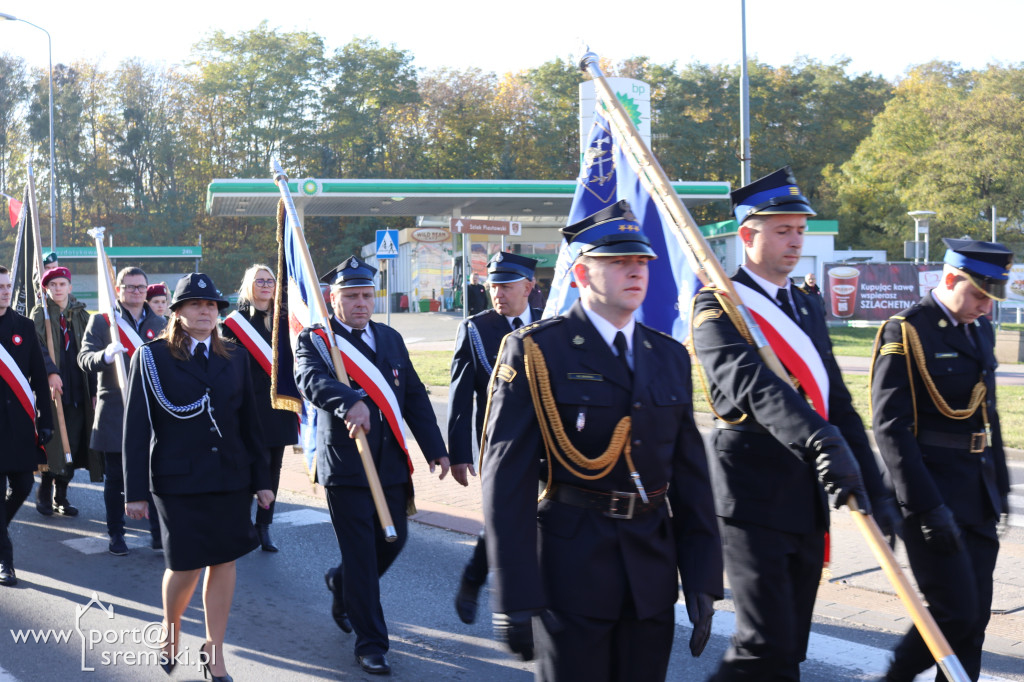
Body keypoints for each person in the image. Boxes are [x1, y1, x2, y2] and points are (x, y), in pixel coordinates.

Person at [482, 202, 723, 681]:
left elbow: (691, 478)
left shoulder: (669, 356)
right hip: (572, 571)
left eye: (641, 262)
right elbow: (505, 481)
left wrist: (701, 577)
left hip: (651, 574)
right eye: (616, 262)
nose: (634, 271)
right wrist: (515, 597)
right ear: (580, 275)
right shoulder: (535, 351)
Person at [690, 167, 899, 681]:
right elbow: (750, 386)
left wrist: (876, 490)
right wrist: (820, 438)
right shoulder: (719, 305)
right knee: (766, 647)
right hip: (752, 496)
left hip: (807, 495)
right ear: (747, 235)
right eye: (782, 230)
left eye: (800, 230)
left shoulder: (805, 306)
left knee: (789, 651)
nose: (795, 240)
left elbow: (837, 403)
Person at [294, 256, 451, 676]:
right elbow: (308, 379)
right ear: (334, 298)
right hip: (345, 466)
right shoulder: (317, 340)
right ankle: (371, 643)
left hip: (390, 464)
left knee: (393, 542)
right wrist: (350, 400)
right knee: (362, 557)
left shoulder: (391, 338)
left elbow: (414, 395)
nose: (361, 303)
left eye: (367, 295)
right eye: (351, 296)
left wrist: (437, 448)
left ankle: (340, 583)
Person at [871, 238, 1012, 682]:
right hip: (930, 492)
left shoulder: (979, 329)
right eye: (978, 294)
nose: (985, 307)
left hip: (976, 492)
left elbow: (987, 413)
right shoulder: (907, 330)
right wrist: (925, 508)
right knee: (954, 611)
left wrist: (1001, 485)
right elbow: (891, 427)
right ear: (950, 278)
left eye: (991, 298)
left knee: (974, 623)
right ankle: (893, 678)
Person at [123, 273, 273, 680]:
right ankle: (171, 632)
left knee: (224, 562)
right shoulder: (152, 357)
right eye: (195, 305)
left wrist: (263, 478)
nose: (205, 312)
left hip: (229, 475)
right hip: (177, 480)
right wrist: (133, 492)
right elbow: (136, 429)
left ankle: (215, 649)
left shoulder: (235, 356)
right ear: (177, 312)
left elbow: (250, 424)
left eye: (211, 306)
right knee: (186, 564)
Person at [449, 251, 542, 624]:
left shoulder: (552, 322)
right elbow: (459, 396)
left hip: (549, 443)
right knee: (504, 517)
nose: (498, 293)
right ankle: (474, 579)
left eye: (506, 285)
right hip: (499, 444)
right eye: (493, 286)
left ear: (529, 286)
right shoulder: (476, 328)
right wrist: (458, 453)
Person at [78, 266, 166, 556]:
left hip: (152, 411)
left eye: (141, 287)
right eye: (129, 287)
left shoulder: (160, 322)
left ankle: (157, 533)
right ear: (118, 289)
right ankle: (116, 533)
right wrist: (104, 355)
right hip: (116, 410)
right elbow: (84, 358)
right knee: (116, 477)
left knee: (154, 474)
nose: (136, 292)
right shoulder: (103, 322)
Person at [220, 264, 298, 553]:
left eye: (270, 281)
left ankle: (263, 526)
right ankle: (241, 522)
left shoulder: (285, 320)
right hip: (246, 405)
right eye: (259, 281)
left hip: (278, 405)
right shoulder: (233, 323)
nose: (266, 285)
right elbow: (226, 366)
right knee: (248, 464)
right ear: (248, 286)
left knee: (273, 467)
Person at [30, 266, 101, 517]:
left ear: (70, 287)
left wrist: (94, 389)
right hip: (52, 387)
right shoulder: (41, 314)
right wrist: (50, 372)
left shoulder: (82, 315)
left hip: (78, 387)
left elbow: (91, 349)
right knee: (54, 441)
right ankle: (44, 493)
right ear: (46, 289)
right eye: (53, 285)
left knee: (73, 440)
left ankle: (62, 495)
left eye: (62, 284)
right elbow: (37, 348)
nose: (57, 289)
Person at [0, 265, 53, 586]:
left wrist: (45, 419)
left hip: (19, 426)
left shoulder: (24, 326)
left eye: (7, 286)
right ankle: (6, 562)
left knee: (22, 487)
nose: (4, 291)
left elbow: (39, 379)